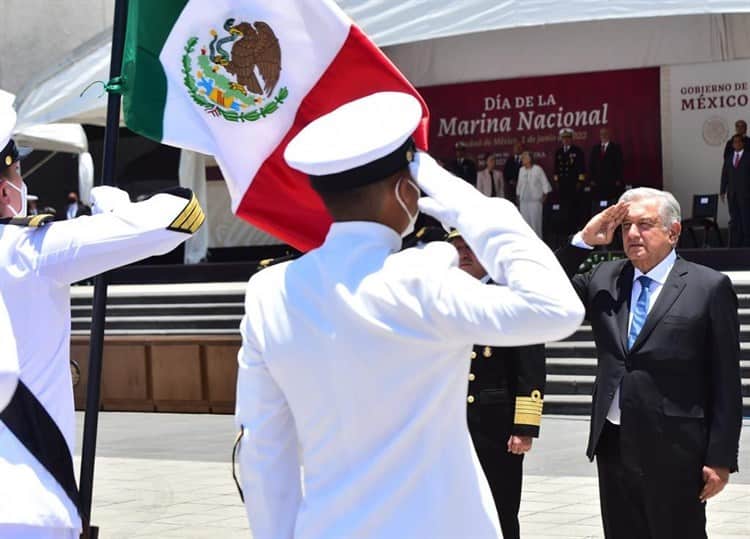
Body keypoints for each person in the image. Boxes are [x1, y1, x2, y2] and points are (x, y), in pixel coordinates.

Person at [233, 92, 585, 539]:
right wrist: (475, 207)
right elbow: (556, 309)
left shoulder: (269, 292)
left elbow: (263, 452)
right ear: (406, 190)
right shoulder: (425, 276)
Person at [0, 99, 205, 538]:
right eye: (18, 173)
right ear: (4, 189)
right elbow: (180, 217)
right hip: (27, 503)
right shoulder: (28, 253)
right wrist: (119, 210)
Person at [556, 188, 742, 539]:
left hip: (676, 448)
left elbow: (726, 380)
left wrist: (720, 457)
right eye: (626, 225)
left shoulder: (708, 287)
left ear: (673, 233)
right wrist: (582, 240)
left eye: (645, 224)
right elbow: (546, 291)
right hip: (614, 444)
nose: (632, 234)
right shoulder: (604, 278)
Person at [447, 229, 545, 539]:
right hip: (452, 425)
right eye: (457, 247)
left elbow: (530, 367)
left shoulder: (510, 298)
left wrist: (524, 427)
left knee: (500, 506)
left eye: (469, 247)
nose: (463, 253)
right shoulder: (446, 297)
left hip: (495, 426)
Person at [553, 128, 586, 232]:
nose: (566, 140)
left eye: (568, 138)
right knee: (563, 209)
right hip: (563, 185)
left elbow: (582, 169)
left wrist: (580, 182)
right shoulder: (558, 152)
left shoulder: (577, 151)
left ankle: (574, 229)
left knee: (573, 209)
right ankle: (564, 231)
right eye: (564, 138)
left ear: (571, 139)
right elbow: (556, 169)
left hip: (573, 185)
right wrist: (556, 181)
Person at [720, 134, 750, 247]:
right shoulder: (729, 158)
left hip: (745, 194)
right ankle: (736, 243)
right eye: (734, 142)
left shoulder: (748, 157)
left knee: (746, 218)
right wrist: (722, 190)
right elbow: (725, 175)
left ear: (742, 143)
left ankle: (747, 243)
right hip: (732, 194)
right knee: (735, 218)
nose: (736, 144)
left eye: (738, 142)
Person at [516, 151, 552, 237]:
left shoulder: (538, 169)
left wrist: (544, 197)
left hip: (535, 202)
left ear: (529, 159)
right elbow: (519, 185)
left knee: (535, 224)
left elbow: (545, 184)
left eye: (524, 157)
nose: (522, 159)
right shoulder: (521, 170)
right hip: (524, 201)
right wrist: (518, 196)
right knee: (525, 225)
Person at [588, 128, 624, 202]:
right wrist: (591, 179)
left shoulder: (616, 148)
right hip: (598, 181)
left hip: (611, 181)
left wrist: (618, 179)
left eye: (605, 134)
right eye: (602, 134)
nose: (603, 135)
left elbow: (619, 165)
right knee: (599, 203)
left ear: (609, 135)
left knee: (611, 201)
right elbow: (591, 165)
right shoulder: (595, 148)